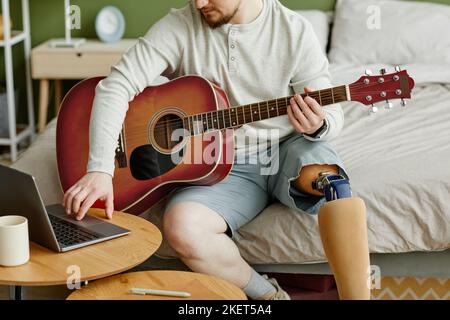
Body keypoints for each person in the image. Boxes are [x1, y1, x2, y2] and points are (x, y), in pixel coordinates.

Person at [63, 0, 370, 300]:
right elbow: (116, 85)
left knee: (332, 183)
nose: (198, 4)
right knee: (182, 227)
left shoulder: (295, 31)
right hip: (218, 167)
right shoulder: (180, 25)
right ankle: (270, 296)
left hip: (288, 149)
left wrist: (318, 123)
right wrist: (100, 168)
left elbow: (332, 114)